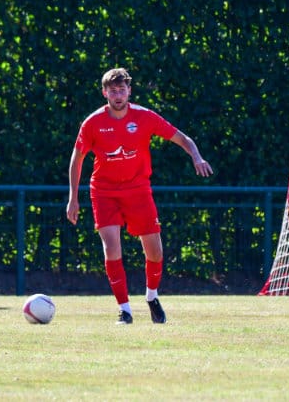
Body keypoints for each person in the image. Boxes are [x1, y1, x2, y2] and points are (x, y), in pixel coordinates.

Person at [66, 68, 213, 324]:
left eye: (122, 90)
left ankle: (152, 297)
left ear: (129, 91)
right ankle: (124, 310)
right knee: (112, 248)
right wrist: (73, 198)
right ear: (105, 93)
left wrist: (197, 157)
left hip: (138, 190)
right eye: (113, 91)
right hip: (104, 191)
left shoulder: (144, 117)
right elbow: (77, 158)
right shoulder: (92, 123)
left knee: (155, 252)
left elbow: (183, 139)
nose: (118, 95)